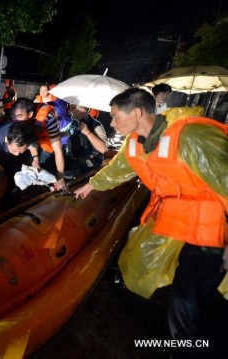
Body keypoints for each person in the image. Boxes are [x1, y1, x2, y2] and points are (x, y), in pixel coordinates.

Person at [74, 88, 227, 343]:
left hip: (207, 230)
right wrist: (92, 185)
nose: (111, 123)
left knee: (187, 298)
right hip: (172, 219)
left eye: (114, 117)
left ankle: (185, 345)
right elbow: (119, 168)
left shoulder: (190, 135)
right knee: (141, 260)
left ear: (136, 112)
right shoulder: (134, 143)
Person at [0, 98, 66, 213]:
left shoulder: (29, 129)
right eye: (15, 116)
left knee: (16, 171)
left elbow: (34, 141)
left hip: (16, 143)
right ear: (6, 140)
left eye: (19, 115)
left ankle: (10, 204)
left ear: (30, 115)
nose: (16, 119)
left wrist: (35, 159)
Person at [62, 105, 108, 177]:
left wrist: (87, 132)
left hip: (91, 166)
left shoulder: (95, 125)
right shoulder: (73, 124)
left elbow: (103, 149)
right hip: (75, 163)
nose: (69, 111)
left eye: (72, 108)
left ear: (83, 110)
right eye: (68, 109)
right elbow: (61, 134)